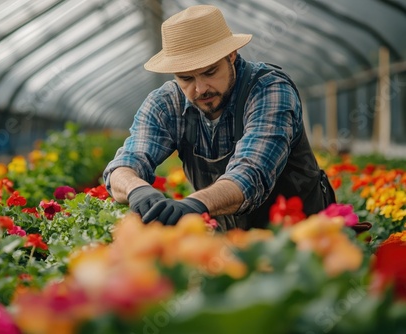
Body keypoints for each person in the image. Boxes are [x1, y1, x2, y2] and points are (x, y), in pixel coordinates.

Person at [103, 5, 335, 231]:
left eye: (210, 72)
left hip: (304, 245)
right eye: (186, 78)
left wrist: (193, 204)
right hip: (230, 246)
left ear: (231, 55)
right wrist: (137, 189)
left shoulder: (269, 90)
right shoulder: (166, 104)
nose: (201, 88)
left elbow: (251, 173)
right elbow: (125, 164)